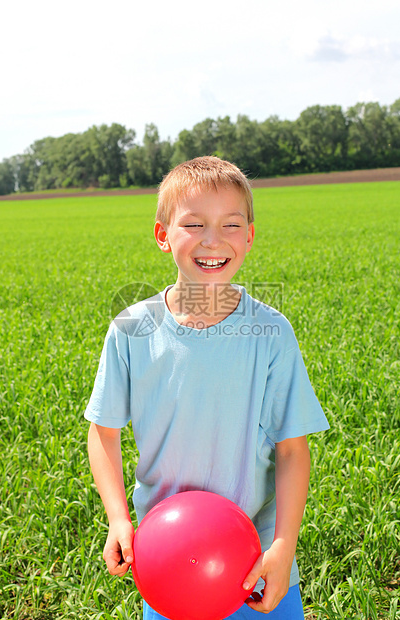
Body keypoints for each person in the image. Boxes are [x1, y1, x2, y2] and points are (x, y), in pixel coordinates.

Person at [85, 156, 329, 619]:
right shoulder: (132, 329)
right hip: (169, 564)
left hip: (256, 568)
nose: (213, 240)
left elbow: (293, 450)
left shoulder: (271, 332)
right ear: (163, 235)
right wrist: (119, 518)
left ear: (250, 236)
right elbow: (103, 432)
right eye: (194, 224)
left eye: (230, 225)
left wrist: (283, 547)